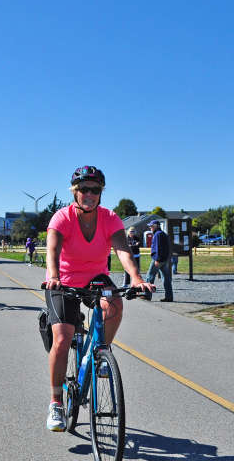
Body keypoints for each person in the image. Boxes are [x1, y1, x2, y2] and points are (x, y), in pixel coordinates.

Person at [43, 166, 154, 432]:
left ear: (101, 193)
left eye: (95, 189)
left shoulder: (110, 218)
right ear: (75, 192)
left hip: (95, 278)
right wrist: (54, 275)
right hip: (64, 280)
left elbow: (122, 251)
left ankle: (101, 350)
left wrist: (136, 278)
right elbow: (53, 250)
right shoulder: (62, 217)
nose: (89, 194)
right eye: (84, 189)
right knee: (62, 337)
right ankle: (56, 402)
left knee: (115, 302)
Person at [145, 220, 173, 302]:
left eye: (151, 226)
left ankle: (147, 295)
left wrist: (157, 259)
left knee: (149, 276)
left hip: (158, 259)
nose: (150, 228)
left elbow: (158, 248)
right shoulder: (163, 234)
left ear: (156, 226)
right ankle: (169, 296)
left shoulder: (157, 234)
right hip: (164, 259)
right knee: (166, 278)